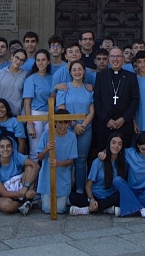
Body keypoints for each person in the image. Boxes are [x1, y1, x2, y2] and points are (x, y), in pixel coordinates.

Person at [68, 131, 145, 218]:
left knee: (123, 194)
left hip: (112, 196)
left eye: (119, 144)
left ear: (122, 147)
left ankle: (88, 209)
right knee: (73, 197)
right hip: (96, 196)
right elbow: (88, 185)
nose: (116, 146)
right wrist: (92, 199)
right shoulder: (99, 161)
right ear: (109, 144)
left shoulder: (123, 162)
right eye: (113, 143)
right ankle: (104, 209)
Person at [56, 60, 95, 194]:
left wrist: (82, 126)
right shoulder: (64, 89)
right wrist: (73, 124)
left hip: (85, 129)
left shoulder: (89, 89)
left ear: (84, 71)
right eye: (74, 70)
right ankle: (65, 190)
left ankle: (79, 190)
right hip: (67, 129)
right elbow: (61, 109)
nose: (77, 72)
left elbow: (92, 111)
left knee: (81, 159)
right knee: (66, 159)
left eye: (80, 69)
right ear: (70, 72)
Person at [93, 47, 140, 149]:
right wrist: (106, 120)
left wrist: (123, 119)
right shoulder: (101, 76)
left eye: (118, 56)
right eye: (112, 56)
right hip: (104, 125)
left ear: (123, 59)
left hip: (124, 125)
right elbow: (97, 100)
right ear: (109, 59)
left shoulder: (131, 77)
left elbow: (135, 100)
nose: (115, 59)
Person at [36, 114, 78, 214]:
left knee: (60, 209)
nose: (63, 126)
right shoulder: (47, 134)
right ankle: (40, 199)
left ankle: (65, 199)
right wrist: (46, 148)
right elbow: (39, 157)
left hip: (62, 178)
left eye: (66, 122)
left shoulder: (72, 137)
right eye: (60, 122)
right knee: (47, 209)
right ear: (55, 122)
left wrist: (59, 163)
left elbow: (72, 160)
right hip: (47, 178)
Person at [0, 136, 39, 215]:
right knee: (6, 206)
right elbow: (4, 193)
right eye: (2, 147)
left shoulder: (16, 155)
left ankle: (28, 200)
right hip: (6, 195)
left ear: (12, 148)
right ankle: (25, 204)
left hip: (22, 186)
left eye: (8, 146)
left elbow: (36, 166)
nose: (5, 149)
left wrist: (25, 187)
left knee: (30, 167)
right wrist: (23, 193)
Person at [23, 49, 53, 159]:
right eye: (38, 60)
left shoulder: (52, 78)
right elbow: (27, 103)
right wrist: (30, 124)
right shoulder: (31, 79)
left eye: (43, 60)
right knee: (35, 151)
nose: (41, 63)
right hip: (36, 115)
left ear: (48, 61)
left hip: (50, 115)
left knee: (49, 149)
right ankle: (34, 176)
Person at [0, 48, 28, 117]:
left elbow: (25, 97)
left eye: (22, 60)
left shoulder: (25, 75)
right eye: (17, 57)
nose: (18, 61)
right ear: (12, 56)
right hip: (0, 114)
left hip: (16, 115)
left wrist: (23, 115)